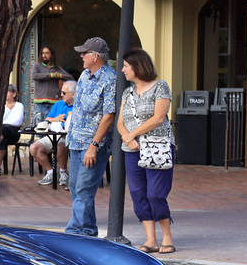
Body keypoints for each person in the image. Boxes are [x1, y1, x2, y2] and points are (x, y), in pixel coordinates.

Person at [117, 49, 176, 253]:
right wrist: (127, 136)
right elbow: (120, 122)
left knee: (156, 194)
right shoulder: (128, 92)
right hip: (131, 149)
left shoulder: (161, 87)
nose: (123, 69)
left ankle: (167, 236)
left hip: (157, 147)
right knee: (138, 194)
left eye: (126, 66)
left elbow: (159, 118)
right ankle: (151, 240)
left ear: (138, 66)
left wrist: (132, 134)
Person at [65, 37, 117, 237]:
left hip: (93, 144)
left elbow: (109, 115)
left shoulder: (110, 80)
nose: (81, 56)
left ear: (95, 56)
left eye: (85, 53)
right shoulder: (85, 75)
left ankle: (74, 232)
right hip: (76, 141)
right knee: (75, 187)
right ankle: (88, 230)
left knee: (84, 189)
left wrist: (94, 145)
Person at [30, 80, 75, 187]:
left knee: (61, 145)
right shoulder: (58, 104)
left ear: (73, 94)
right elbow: (48, 119)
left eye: (64, 93)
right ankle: (51, 172)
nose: (61, 95)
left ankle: (63, 172)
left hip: (69, 137)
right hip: (53, 134)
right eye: (61, 92)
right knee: (34, 148)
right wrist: (57, 119)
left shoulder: (79, 106)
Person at [32, 45, 72, 121]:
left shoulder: (57, 68)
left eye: (47, 53)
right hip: (40, 103)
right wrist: (50, 75)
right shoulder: (37, 66)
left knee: (53, 126)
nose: (44, 55)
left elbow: (70, 78)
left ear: (52, 55)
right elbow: (34, 76)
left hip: (53, 103)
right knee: (39, 127)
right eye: (43, 53)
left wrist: (60, 75)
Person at [0, 84, 24, 175]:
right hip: (2, 132)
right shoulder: (0, 105)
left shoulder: (19, 105)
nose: (5, 94)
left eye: (8, 92)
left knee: (5, 128)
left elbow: (17, 121)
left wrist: (5, 121)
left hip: (14, 132)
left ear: (14, 94)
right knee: (3, 140)